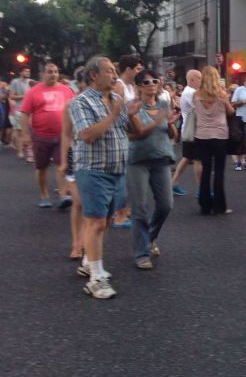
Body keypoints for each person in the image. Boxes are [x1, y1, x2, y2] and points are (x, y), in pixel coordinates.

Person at [69, 56, 141, 299]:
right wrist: (114, 114)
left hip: (117, 169)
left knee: (107, 219)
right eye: (109, 71)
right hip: (93, 169)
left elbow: (129, 131)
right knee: (96, 221)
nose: (114, 75)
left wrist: (130, 114)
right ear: (93, 75)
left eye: (114, 71)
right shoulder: (81, 102)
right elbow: (88, 134)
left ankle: (90, 261)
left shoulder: (116, 99)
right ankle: (96, 278)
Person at [127, 70, 178, 270]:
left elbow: (171, 133)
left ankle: (150, 236)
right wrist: (159, 120)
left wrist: (171, 124)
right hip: (138, 160)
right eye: (145, 82)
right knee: (140, 208)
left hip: (162, 158)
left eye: (154, 81)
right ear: (139, 86)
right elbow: (135, 134)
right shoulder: (133, 107)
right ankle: (141, 253)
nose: (151, 84)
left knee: (166, 204)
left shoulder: (164, 105)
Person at [18, 62, 75, 208]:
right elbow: (24, 113)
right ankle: (44, 195)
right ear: (42, 74)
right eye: (50, 72)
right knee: (41, 167)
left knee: (61, 165)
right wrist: (24, 134)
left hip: (62, 136)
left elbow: (74, 110)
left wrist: (74, 132)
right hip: (40, 136)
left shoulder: (66, 90)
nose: (53, 74)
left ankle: (63, 195)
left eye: (56, 71)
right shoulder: (33, 91)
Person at [193, 66, 234, 215]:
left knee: (206, 170)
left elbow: (196, 112)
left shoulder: (196, 95)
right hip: (220, 135)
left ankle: (205, 205)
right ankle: (219, 206)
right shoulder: (222, 95)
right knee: (219, 171)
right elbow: (231, 112)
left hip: (202, 135)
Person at [110, 54, 143, 228]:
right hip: (121, 133)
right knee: (121, 175)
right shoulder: (119, 86)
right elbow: (113, 112)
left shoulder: (132, 85)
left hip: (132, 132)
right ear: (128, 69)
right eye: (138, 68)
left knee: (130, 174)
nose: (140, 71)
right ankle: (119, 215)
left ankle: (124, 209)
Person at [59, 67, 86, 260]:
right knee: (78, 202)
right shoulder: (70, 104)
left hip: (96, 158)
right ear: (79, 84)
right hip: (75, 157)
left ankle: (87, 238)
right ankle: (77, 242)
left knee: (90, 204)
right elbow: (66, 135)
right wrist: (62, 161)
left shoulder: (104, 102)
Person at [171, 69, 202, 196]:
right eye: (200, 78)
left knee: (187, 158)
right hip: (193, 130)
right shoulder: (191, 92)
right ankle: (202, 189)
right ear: (192, 79)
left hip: (189, 130)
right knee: (198, 159)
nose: (202, 81)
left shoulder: (189, 92)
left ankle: (173, 184)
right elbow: (201, 108)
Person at [9, 65, 32, 161]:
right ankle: (20, 151)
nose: (28, 73)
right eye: (26, 71)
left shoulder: (31, 82)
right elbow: (11, 96)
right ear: (21, 72)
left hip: (31, 111)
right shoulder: (15, 82)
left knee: (31, 132)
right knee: (20, 132)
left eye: (28, 71)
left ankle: (30, 152)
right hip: (19, 110)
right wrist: (25, 96)